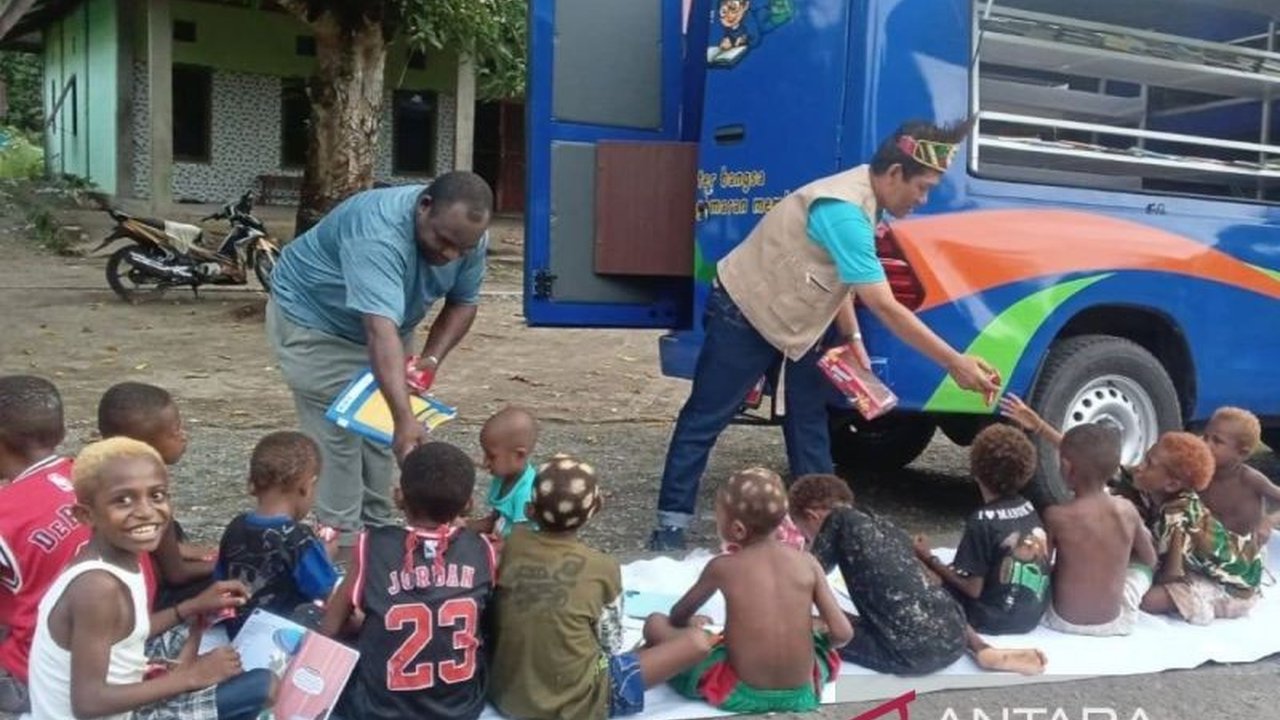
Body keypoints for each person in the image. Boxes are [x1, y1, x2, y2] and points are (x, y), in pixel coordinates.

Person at [651, 119, 1001, 550]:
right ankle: (670, 524)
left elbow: (843, 280)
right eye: (922, 187)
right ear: (894, 174)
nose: (923, 199)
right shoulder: (844, 210)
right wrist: (956, 363)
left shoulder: (869, 201)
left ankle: (825, 531)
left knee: (810, 425)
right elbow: (885, 305)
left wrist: (852, 342)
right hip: (748, 307)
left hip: (802, 319)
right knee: (705, 418)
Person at [267, 172, 495, 556]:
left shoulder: (468, 235)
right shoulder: (377, 231)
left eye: (462, 248)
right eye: (443, 241)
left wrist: (430, 360)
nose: (451, 255)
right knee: (338, 430)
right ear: (424, 207)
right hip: (316, 321)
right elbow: (378, 330)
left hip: (388, 325)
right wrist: (404, 417)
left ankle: (375, 537)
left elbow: (463, 301)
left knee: (379, 429)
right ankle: (338, 546)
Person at [27, 438, 275, 720]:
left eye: (156, 495)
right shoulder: (97, 587)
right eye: (123, 500)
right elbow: (88, 703)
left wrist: (191, 607)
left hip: (120, 696)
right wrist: (191, 677)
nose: (145, 511)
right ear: (86, 515)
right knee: (263, 685)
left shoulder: (114, 559)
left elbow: (124, 633)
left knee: (193, 621)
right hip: (105, 710)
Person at [490, 455, 712, 719]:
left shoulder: (513, 544)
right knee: (697, 643)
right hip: (577, 704)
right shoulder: (602, 566)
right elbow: (611, 643)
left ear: (529, 510)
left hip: (506, 695)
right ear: (595, 509)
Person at [791, 474, 1045, 676]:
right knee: (926, 598)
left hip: (911, 653)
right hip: (955, 636)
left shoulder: (836, 521)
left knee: (799, 625)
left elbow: (804, 580)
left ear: (813, 516)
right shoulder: (882, 523)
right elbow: (932, 583)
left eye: (807, 535)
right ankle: (982, 649)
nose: (809, 541)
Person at [648, 469, 852, 714]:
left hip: (740, 692)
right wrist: (812, 643)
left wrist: (689, 622)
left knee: (657, 623)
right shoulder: (807, 562)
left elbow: (677, 615)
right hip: (802, 693)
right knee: (819, 644)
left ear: (737, 530)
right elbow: (842, 633)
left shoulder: (723, 567)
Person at [322, 442, 496, 720]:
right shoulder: (481, 548)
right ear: (468, 505)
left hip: (378, 711)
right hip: (460, 709)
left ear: (398, 497)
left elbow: (330, 626)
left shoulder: (373, 545)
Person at [0, 375, 90, 715]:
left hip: (33, 674)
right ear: (62, 433)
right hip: (105, 657)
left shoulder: (7, 512)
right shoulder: (95, 479)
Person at [915, 425, 1050, 635]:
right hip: (1031, 616)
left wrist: (929, 558)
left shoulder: (981, 521)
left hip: (992, 619)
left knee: (926, 574)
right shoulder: (1028, 506)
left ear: (975, 470)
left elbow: (973, 589)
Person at [98, 382, 216, 609]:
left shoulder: (102, 475)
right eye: (175, 431)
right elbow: (177, 575)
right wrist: (225, 564)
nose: (183, 436)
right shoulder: (148, 497)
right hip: (141, 600)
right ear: (147, 446)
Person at [214, 431, 338, 638]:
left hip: (236, 631)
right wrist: (325, 556)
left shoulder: (235, 526)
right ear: (307, 487)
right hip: (281, 639)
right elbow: (325, 591)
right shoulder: (299, 538)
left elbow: (219, 581)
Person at [1133, 432, 1262, 625]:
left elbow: (1173, 573)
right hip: (1231, 563)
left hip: (1236, 588)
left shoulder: (1175, 516)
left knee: (1146, 600)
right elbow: (1116, 470)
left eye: (1149, 464)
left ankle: (1207, 602)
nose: (1138, 467)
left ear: (1172, 484)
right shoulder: (1165, 492)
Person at [1040, 425, 1157, 636]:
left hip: (1062, 621)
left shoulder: (1056, 515)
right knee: (1142, 572)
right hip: (1114, 623)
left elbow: (1042, 568)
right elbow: (1149, 560)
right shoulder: (1128, 510)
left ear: (1067, 467)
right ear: (1113, 471)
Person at [1198, 407, 1280, 546]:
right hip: (1204, 547)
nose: (1206, 445)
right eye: (1205, 437)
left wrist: (1269, 521)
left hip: (1242, 554)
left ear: (1242, 453)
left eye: (1217, 441)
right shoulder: (1198, 473)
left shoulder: (1250, 480)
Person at [472, 406, 538, 539]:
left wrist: (494, 548)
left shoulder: (525, 493)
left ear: (519, 455)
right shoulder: (502, 477)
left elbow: (522, 539)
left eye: (491, 456)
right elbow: (494, 520)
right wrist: (462, 526)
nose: (485, 463)